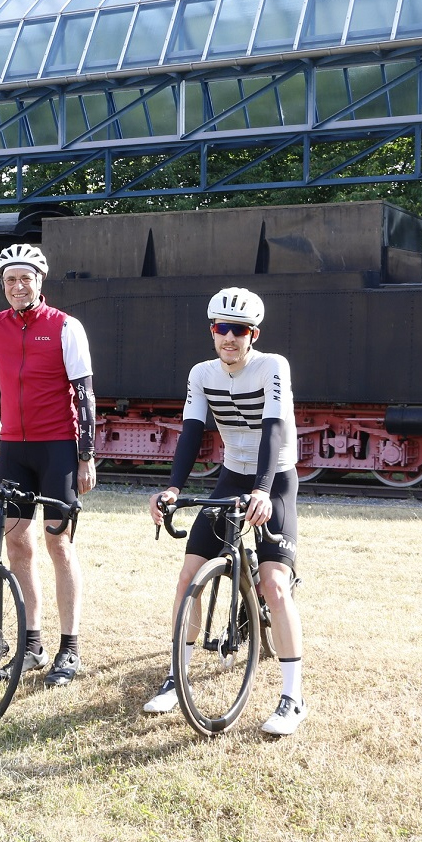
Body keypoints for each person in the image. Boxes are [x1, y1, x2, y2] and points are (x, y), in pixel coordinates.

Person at [143, 287, 308, 736]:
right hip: (232, 474)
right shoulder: (202, 373)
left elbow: (275, 429)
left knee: (275, 585)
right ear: (212, 331)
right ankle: (177, 677)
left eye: (238, 330)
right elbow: (192, 431)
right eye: (221, 329)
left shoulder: (272, 367)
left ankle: (293, 699)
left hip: (274, 476)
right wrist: (173, 488)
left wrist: (262, 491)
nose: (229, 338)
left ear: (253, 334)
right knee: (187, 577)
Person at [0, 243, 95, 689]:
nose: (18, 287)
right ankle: (32, 645)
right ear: (2, 285)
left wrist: (86, 453)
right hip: (14, 452)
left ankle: (70, 648)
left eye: (26, 279)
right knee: (17, 545)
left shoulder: (65, 326)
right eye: (10, 280)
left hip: (57, 447)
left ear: (40, 281)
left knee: (58, 545)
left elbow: (84, 392)